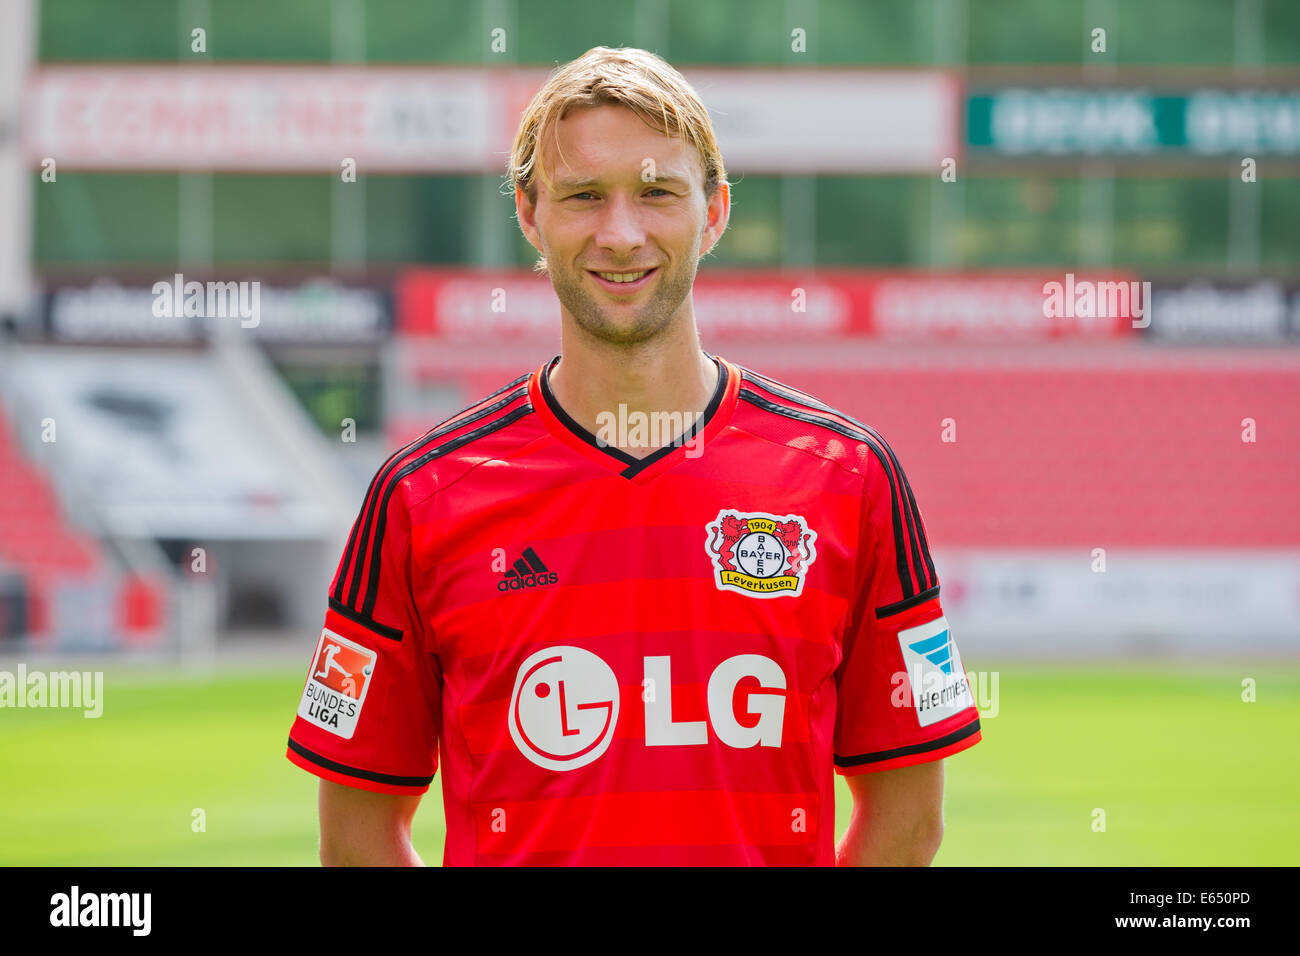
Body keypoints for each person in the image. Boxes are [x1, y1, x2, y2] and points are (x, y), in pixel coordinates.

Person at [285, 45, 981, 866]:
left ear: (714, 211)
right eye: (583, 196)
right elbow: (357, 833)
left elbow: (909, 817)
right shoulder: (420, 495)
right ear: (529, 213)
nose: (621, 234)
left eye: (656, 192)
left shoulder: (850, 477)